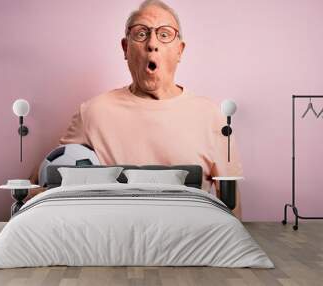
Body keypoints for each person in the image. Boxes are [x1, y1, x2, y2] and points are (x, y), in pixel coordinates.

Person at [29, 0, 244, 218]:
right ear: (125, 48)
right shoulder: (93, 112)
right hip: (113, 241)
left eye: (164, 34)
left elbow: (232, 203)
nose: (152, 44)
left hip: (190, 240)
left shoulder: (211, 117)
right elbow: (48, 176)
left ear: (180, 51)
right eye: (141, 34)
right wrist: (36, 195)